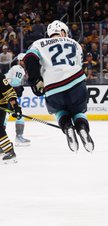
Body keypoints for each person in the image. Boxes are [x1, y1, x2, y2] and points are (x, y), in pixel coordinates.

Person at [23, 20, 94, 153]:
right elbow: (78, 64)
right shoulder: (75, 44)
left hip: (52, 87)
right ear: (62, 32)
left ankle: (68, 127)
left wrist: (35, 80)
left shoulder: (38, 44)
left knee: (59, 111)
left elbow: (29, 58)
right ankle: (82, 128)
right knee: (78, 111)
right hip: (76, 82)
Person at [5, 53, 31, 146]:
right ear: (20, 61)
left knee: (19, 116)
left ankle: (19, 137)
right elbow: (14, 84)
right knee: (5, 117)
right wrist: (19, 89)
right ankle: (17, 138)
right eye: (24, 60)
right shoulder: (18, 69)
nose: (25, 62)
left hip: (8, 95)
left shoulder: (18, 69)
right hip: (7, 96)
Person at [0, 71, 22, 163]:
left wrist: (15, 106)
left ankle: (9, 151)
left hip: (1, 104)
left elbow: (9, 91)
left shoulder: (0, 77)